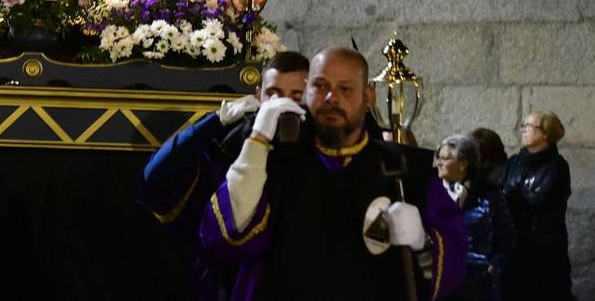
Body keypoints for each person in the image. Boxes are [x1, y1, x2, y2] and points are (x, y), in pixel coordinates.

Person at [199, 46, 465, 300]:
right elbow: (222, 237)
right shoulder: (272, 162)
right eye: (320, 86)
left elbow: (454, 263)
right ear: (305, 93)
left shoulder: (404, 170)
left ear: (368, 96)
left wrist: (423, 243)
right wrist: (257, 139)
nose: (331, 98)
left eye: (345, 89)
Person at [139, 51, 309, 299]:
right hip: (228, 285)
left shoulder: (322, 147)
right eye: (274, 95)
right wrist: (215, 121)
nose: (281, 106)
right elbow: (153, 182)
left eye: (297, 97)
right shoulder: (231, 143)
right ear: (258, 95)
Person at [502, 111, 574, 300]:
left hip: (544, 249)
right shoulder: (513, 163)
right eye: (523, 126)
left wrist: (513, 195)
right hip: (515, 246)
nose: (524, 130)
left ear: (545, 133)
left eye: (529, 126)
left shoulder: (557, 166)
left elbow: (539, 201)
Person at [435, 133, 515, 300]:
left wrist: (492, 266)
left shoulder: (489, 194)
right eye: (438, 158)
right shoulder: (432, 192)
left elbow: (507, 237)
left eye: (445, 158)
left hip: (478, 285)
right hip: (442, 280)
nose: (439, 163)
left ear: (463, 164)